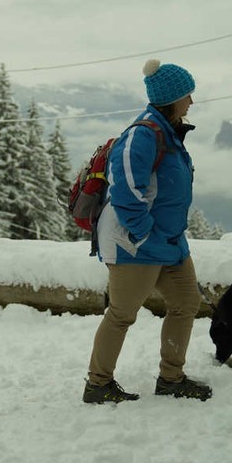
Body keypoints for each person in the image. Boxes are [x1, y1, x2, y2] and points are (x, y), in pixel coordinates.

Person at [83, 59, 212, 403]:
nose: (192, 102)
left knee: (186, 303)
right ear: (172, 98)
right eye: (188, 94)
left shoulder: (169, 132)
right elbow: (125, 191)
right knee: (122, 314)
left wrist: (168, 235)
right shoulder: (142, 135)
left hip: (170, 242)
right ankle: (98, 384)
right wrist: (143, 235)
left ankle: (172, 378)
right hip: (135, 245)